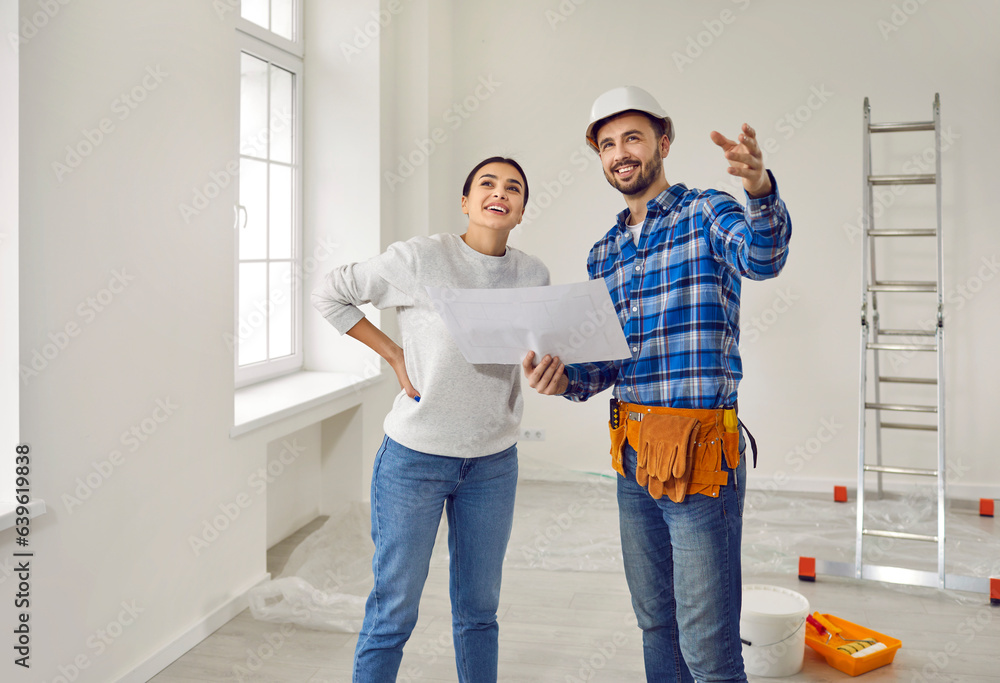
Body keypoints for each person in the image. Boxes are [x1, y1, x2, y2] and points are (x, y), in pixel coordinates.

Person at [522, 86, 792, 682]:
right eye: (608, 144)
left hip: (700, 459)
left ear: (662, 142)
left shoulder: (707, 212)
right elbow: (606, 363)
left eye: (633, 138)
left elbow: (762, 257)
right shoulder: (605, 253)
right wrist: (561, 377)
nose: (621, 153)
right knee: (655, 624)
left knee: (709, 646)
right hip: (632, 459)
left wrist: (759, 190)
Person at [312, 156, 548, 683]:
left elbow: (528, 354)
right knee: (394, 611)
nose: (499, 193)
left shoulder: (533, 275)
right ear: (466, 201)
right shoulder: (420, 259)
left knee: (479, 613)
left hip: (492, 466)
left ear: (521, 211)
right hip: (414, 461)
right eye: (487, 183)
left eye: (513, 188)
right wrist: (393, 353)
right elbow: (329, 293)